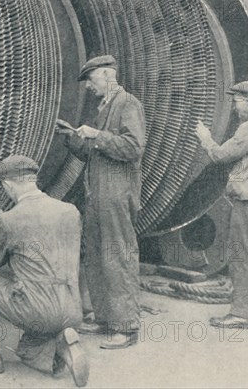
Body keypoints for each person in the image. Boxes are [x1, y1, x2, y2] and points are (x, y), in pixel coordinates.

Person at [0, 155, 89, 387]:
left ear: (8, 185)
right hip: (72, 309)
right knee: (26, 352)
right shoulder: (70, 211)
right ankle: (61, 345)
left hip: (38, 311)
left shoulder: (9, 220)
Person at [57, 55, 145, 349]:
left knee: (118, 257)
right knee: (97, 256)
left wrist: (97, 134)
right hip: (99, 196)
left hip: (117, 196)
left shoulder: (127, 104)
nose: (89, 88)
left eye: (91, 81)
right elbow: (95, 153)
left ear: (108, 76)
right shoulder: (106, 107)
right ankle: (106, 317)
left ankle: (127, 326)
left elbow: (133, 147)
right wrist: (71, 136)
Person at [195, 80, 248, 329]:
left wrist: (205, 139)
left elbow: (220, 155)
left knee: (242, 255)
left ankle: (240, 312)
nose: (235, 108)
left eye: (237, 102)